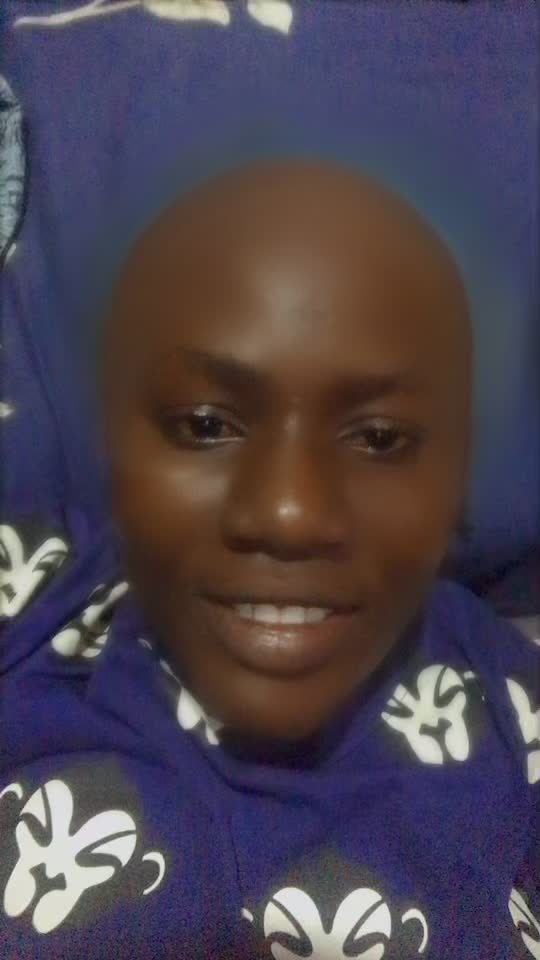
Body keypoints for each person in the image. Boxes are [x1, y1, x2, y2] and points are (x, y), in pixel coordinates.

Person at [0, 153, 538, 959]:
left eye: (380, 438)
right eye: (206, 425)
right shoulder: (37, 588)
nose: (289, 512)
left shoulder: (513, 713)